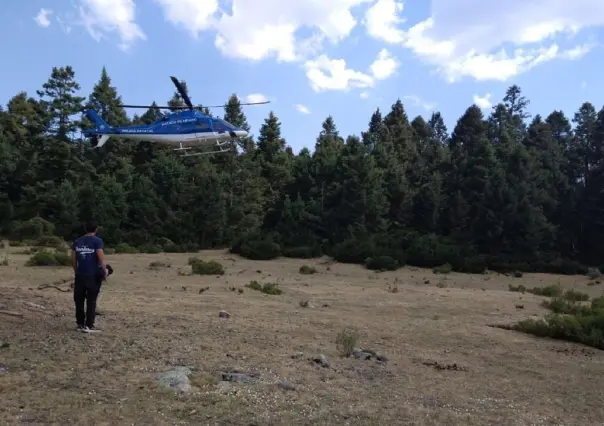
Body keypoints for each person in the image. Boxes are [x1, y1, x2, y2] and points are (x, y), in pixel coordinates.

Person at [71, 220, 107, 333]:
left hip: (80, 275)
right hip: (93, 276)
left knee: (79, 299)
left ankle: (80, 323)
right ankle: (89, 325)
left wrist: (77, 272)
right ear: (96, 229)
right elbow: (101, 258)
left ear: (85, 229)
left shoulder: (77, 242)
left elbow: (73, 259)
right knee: (91, 300)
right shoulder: (97, 241)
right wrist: (104, 271)